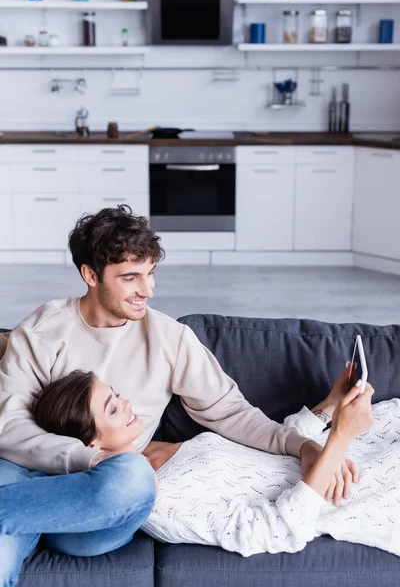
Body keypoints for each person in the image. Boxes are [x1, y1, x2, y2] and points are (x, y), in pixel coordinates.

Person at [0, 206, 356, 584]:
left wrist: (303, 446)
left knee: (134, 476)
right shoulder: (43, 332)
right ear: (90, 275)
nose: (147, 290)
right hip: (25, 478)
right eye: (130, 277)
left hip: (107, 499)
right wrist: (89, 457)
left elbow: (232, 412)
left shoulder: (170, 340)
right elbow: (8, 426)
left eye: (150, 273)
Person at [31, 366, 400, 558]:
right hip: (362, 486)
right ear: (89, 442)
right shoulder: (158, 501)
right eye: (112, 408)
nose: (127, 404)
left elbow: (260, 458)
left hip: (350, 449)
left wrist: (328, 409)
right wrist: (340, 438)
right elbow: (275, 532)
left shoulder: (150, 448)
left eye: (117, 395)